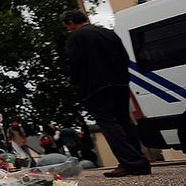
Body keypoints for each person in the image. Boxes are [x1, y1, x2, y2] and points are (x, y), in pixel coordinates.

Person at [61, 9, 150, 177]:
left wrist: (75, 81)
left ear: (71, 22)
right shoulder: (109, 33)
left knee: (109, 123)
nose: (68, 28)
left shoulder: (76, 37)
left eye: (67, 25)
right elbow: (124, 57)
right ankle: (140, 160)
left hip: (96, 85)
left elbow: (75, 62)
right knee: (124, 121)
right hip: (120, 82)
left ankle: (130, 162)